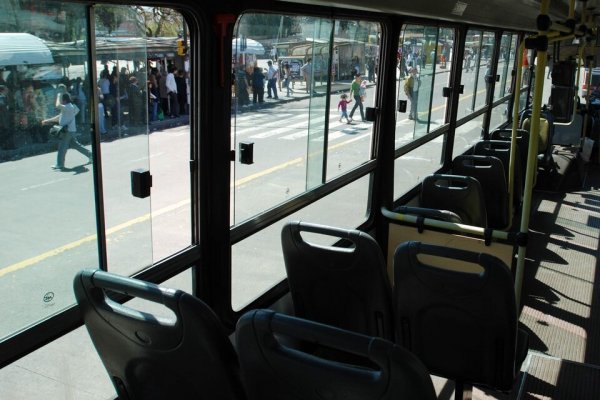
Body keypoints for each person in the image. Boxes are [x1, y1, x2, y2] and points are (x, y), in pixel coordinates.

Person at [42, 93, 92, 170]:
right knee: (75, 145)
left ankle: (60, 164)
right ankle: (90, 155)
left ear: (64, 100)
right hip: (70, 130)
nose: (61, 101)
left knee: (62, 147)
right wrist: (47, 121)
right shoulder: (68, 108)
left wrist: (58, 96)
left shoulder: (68, 107)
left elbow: (57, 105)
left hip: (67, 131)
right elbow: (59, 117)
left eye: (62, 100)